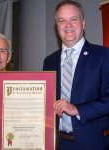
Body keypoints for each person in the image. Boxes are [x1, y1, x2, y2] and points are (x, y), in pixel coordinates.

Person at [43, 0, 109, 150]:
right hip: (56, 143)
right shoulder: (49, 61)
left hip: (92, 144)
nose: (68, 25)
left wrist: (78, 109)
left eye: (73, 19)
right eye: (62, 20)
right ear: (57, 26)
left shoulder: (104, 55)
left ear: (83, 23)